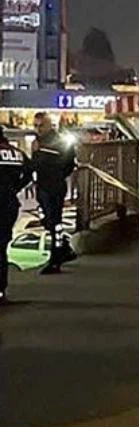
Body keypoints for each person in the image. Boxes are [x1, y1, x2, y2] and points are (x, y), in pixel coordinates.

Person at [30, 112, 77, 274]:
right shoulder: (37, 143)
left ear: (50, 125)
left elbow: (69, 163)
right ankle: (64, 248)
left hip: (54, 186)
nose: (38, 129)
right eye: (35, 125)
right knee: (46, 220)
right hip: (42, 186)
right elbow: (34, 164)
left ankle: (56, 258)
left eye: (41, 125)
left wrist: (57, 176)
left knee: (55, 223)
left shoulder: (59, 141)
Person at [0, 130, 32, 303]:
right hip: (9, 204)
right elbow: (30, 171)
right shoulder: (15, 153)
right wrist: (15, 187)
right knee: (1, 247)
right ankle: (1, 290)